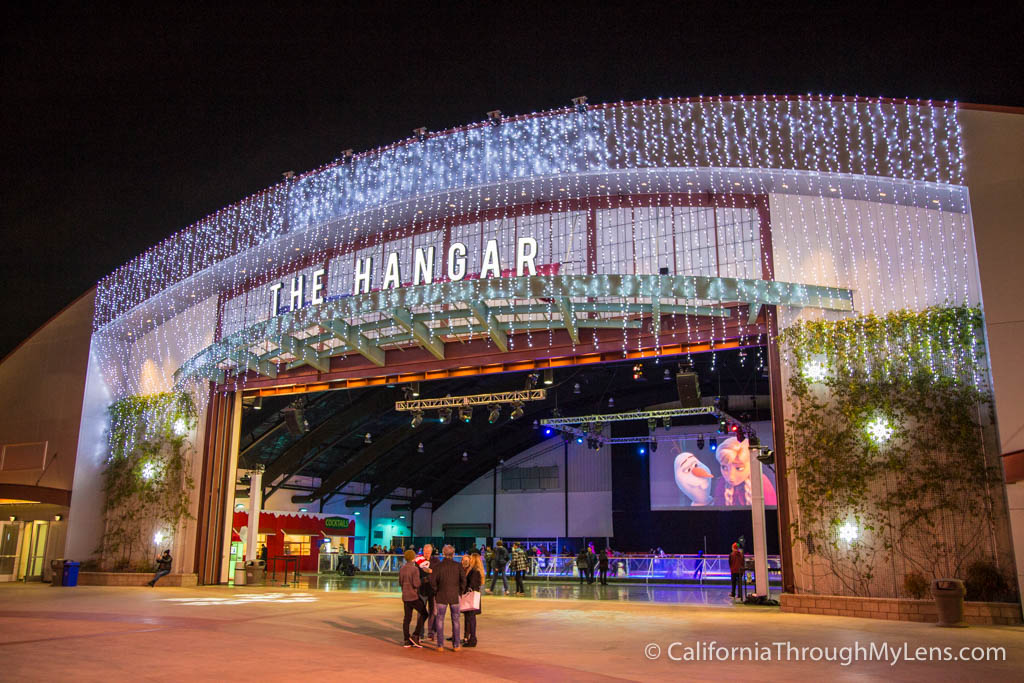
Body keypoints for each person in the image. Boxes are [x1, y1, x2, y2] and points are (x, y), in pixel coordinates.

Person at [429, 545, 466, 651]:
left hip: (441, 595)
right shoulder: (458, 566)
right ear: (453, 554)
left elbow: (432, 581)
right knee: (456, 620)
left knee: (440, 619)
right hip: (454, 595)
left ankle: (440, 645)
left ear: (443, 553)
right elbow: (463, 580)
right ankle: (456, 645)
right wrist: (460, 592)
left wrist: (437, 591)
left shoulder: (438, 566)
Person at [398, 549, 427, 648]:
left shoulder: (402, 568)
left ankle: (406, 639)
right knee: (424, 613)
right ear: (413, 558)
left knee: (407, 618)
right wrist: (423, 581)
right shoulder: (414, 569)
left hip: (405, 596)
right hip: (413, 596)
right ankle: (416, 634)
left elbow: (400, 582)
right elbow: (416, 584)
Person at [461, 552, 484, 647]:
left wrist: (464, 590)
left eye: (471, 558)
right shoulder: (478, 571)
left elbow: (471, 585)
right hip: (474, 596)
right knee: (471, 618)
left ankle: (473, 638)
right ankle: (470, 637)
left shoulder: (474, 571)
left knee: (471, 618)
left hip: (471, 596)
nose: (469, 560)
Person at [415, 544, 436, 639]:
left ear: (431, 552)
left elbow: (437, 573)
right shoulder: (418, 561)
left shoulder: (435, 561)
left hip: (433, 590)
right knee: (421, 612)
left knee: (433, 612)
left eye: (428, 552)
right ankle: (420, 633)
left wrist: (431, 572)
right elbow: (416, 574)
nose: (426, 554)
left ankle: (431, 632)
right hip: (422, 590)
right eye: (425, 552)